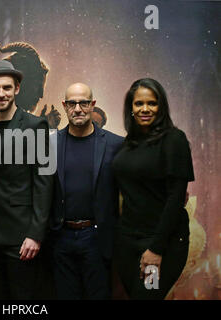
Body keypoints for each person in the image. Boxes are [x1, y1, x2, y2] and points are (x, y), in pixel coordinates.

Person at [0, 60, 53, 299]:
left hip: (21, 236)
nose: (1, 94)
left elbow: (44, 180)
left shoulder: (34, 125)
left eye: (7, 88)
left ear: (17, 89)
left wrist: (35, 233)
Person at [112, 78, 194, 299]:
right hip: (128, 242)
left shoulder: (174, 140)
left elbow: (176, 197)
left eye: (152, 103)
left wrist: (156, 249)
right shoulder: (129, 143)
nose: (145, 109)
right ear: (131, 108)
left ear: (161, 107)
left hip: (159, 244)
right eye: (139, 104)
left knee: (146, 297)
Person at [49, 83, 123, 299]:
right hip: (60, 237)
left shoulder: (115, 144)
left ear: (93, 105)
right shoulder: (49, 144)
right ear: (64, 105)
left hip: (97, 238)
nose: (78, 108)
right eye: (72, 103)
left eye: (83, 103)